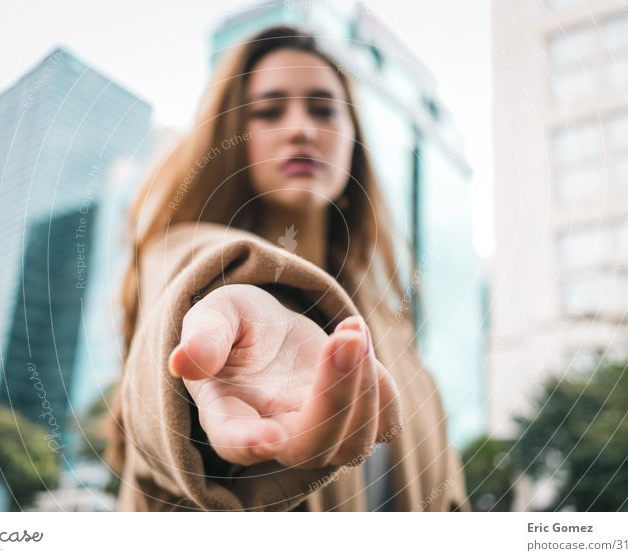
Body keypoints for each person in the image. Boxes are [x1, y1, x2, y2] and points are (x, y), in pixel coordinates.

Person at [106, 25, 470, 512]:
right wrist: (227, 297)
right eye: (270, 110)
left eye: (323, 109)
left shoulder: (395, 332)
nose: (300, 127)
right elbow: (187, 281)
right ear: (234, 138)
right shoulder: (181, 259)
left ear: (353, 145)